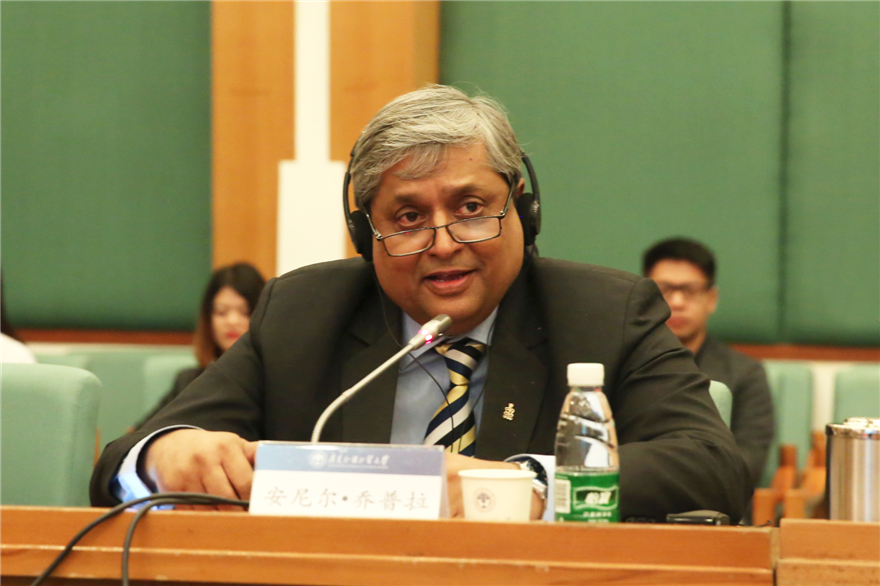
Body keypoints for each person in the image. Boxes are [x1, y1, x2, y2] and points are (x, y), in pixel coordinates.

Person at [91, 85, 749, 522]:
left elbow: (713, 466)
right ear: (365, 236)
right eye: (407, 218)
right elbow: (121, 462)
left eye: (472, 207)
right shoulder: (302, 312)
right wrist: (163, 454)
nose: (444, 243)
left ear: (522, 210)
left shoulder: (605, 313)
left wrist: (525, 485)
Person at [643, 237, 774, 492]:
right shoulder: (621, 364)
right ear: (645, 297)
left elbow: (748, 465)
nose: (677, 302)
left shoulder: (745, 374)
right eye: (665, 290)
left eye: (690, 290)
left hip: (714, 505)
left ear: (711, 298)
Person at [134, 263, 266, 429]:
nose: (232, 321)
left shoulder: (273, 386)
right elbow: (140, 434)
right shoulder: (189, 381)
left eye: (245, 312)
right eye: (221, 312)